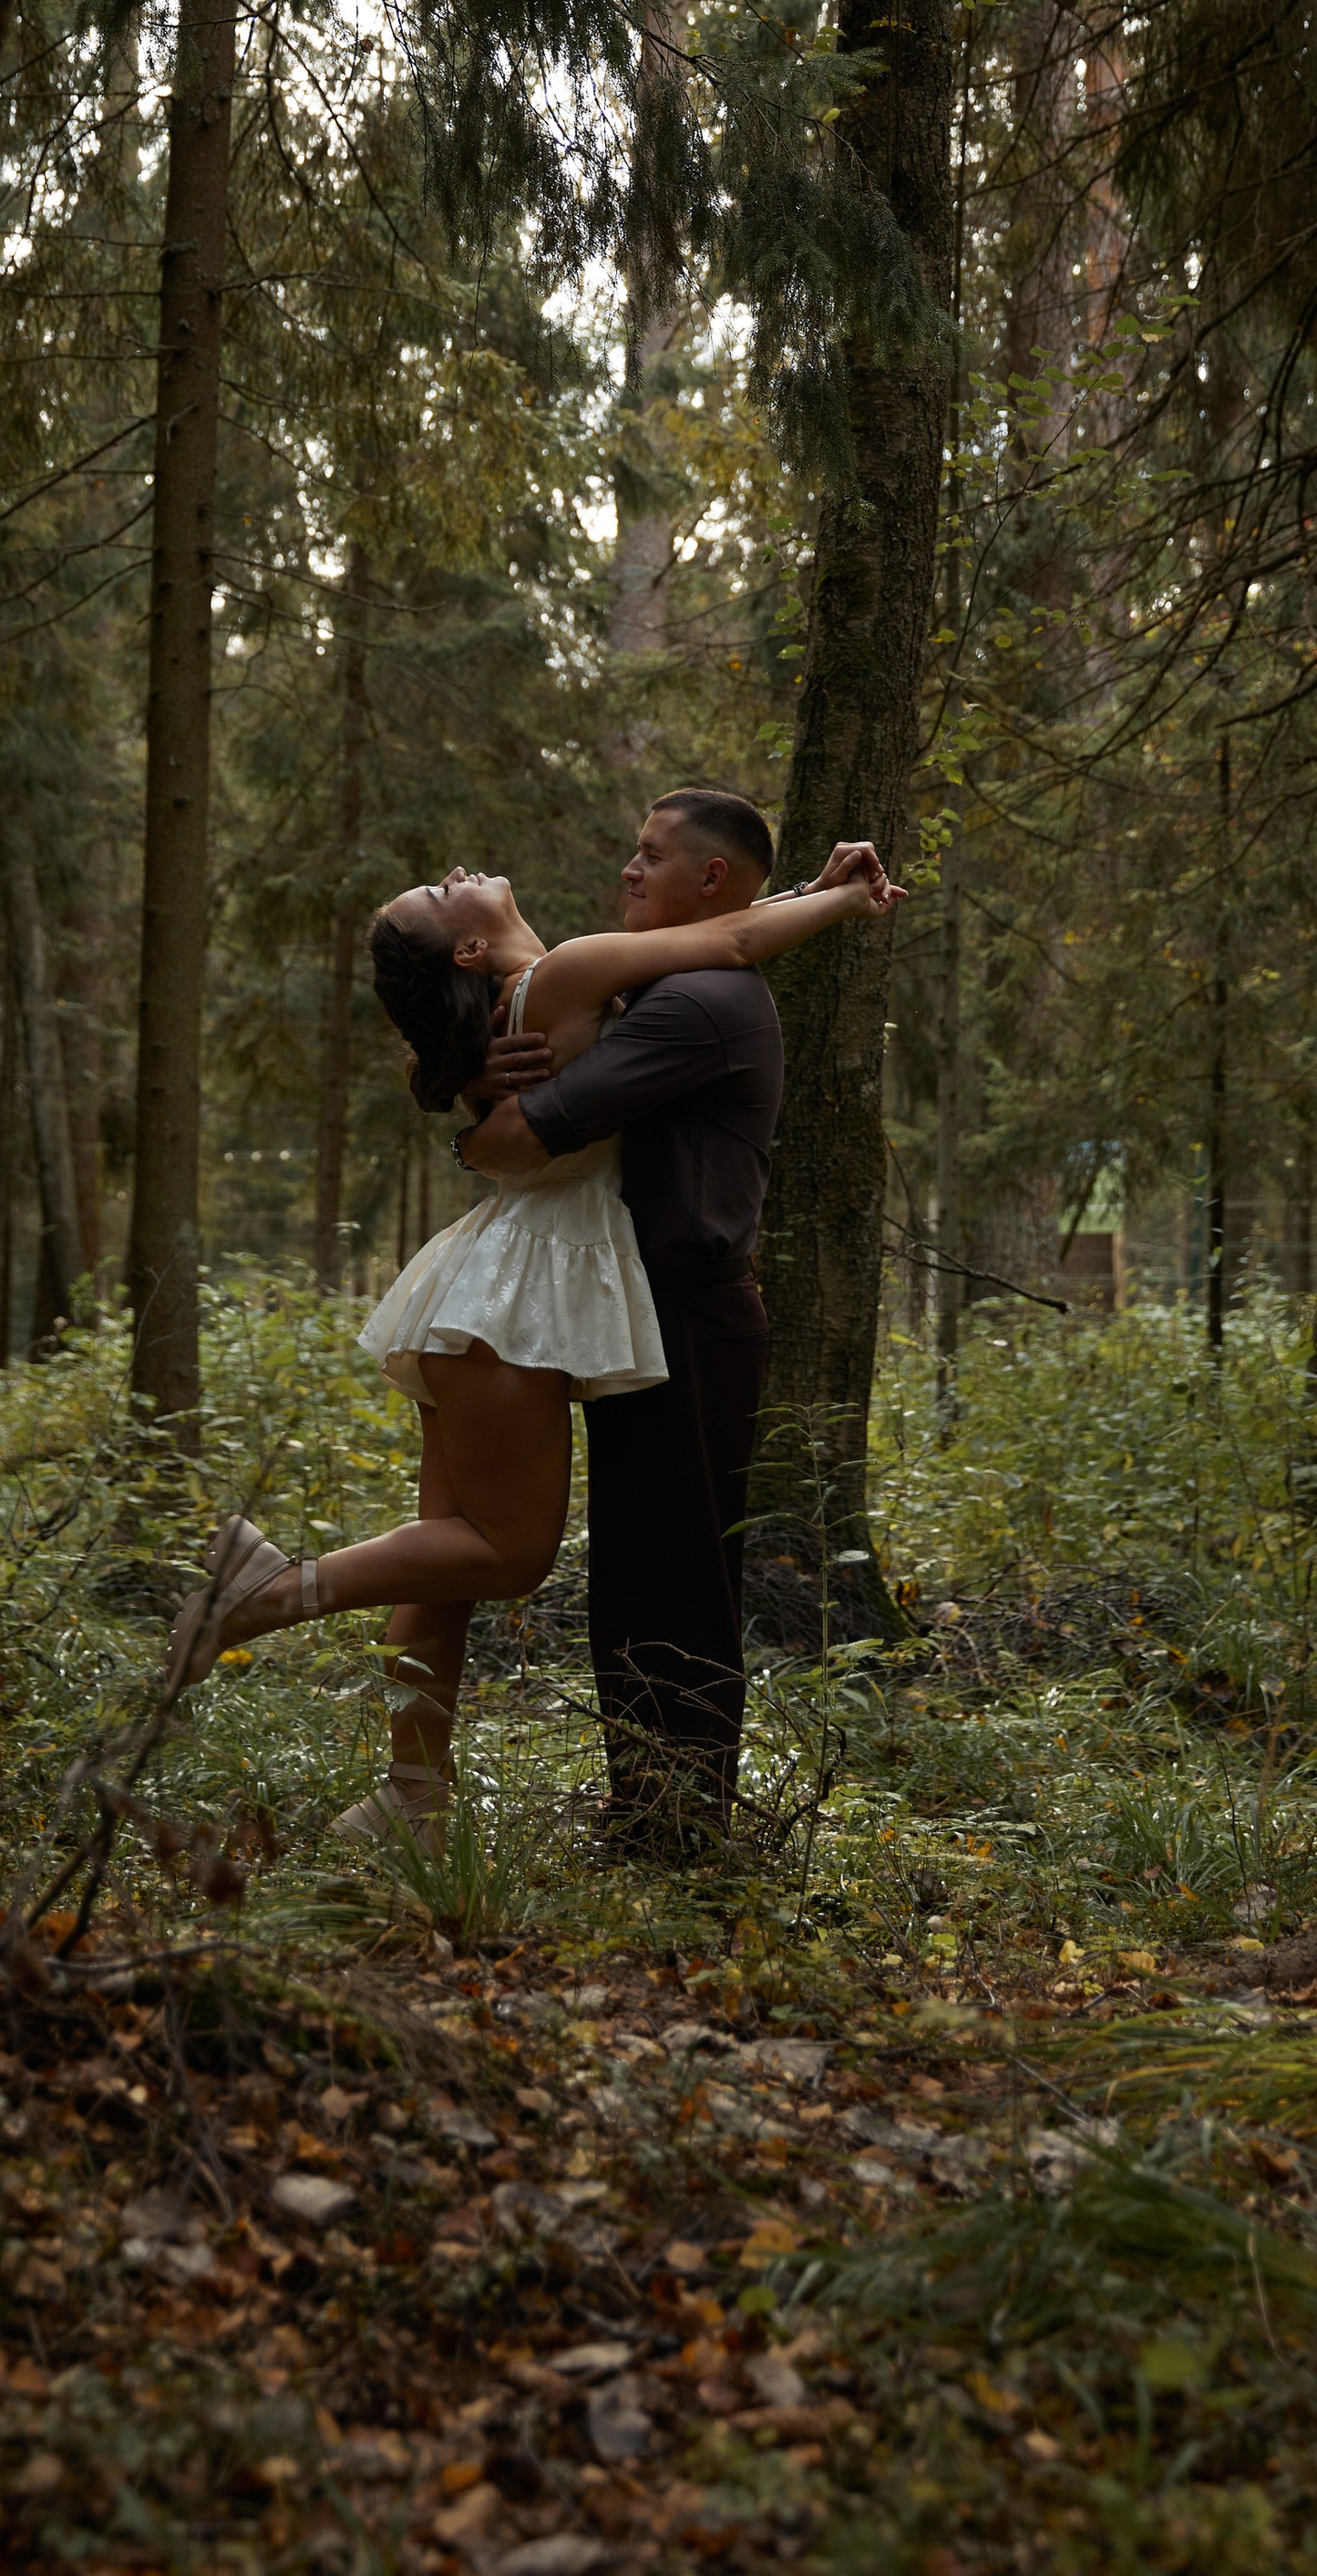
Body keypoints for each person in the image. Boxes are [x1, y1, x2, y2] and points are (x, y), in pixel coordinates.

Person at [161, 818, 894, 1844]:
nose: (454, 868)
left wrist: (802, 886)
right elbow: (724, 945)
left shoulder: (517, 1015)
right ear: (466, 949)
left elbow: (711, 936)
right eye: (438, 890)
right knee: (502, 1555)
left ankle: (412, 1794)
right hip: (529, 1285)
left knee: (443, 1555)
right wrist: (846, 902)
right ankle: (276, 1591)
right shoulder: (568, 977)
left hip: (484, 1277)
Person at [457, 788, 805, 1851]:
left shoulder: (697, 1003)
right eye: (630, 852)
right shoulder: (678, 985)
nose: (627, 870)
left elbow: (528, 1138)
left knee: (674, 1576)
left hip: (686, 1317)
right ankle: (654, 1812)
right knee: (644, 1569)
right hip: (648, 1313)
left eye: (651, 858)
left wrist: (484, 1124)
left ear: (712, 879)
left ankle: (676, 1826)